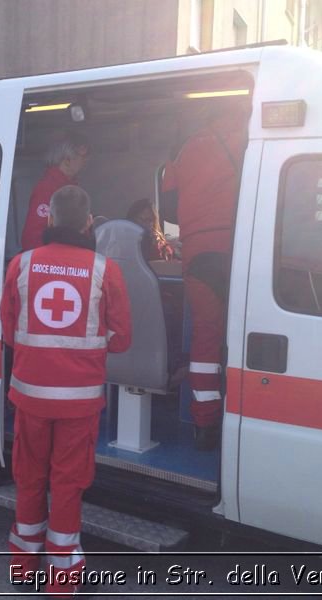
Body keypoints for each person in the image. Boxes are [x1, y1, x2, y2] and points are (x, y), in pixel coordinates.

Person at [1, 185, 131, 597]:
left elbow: (9, 332)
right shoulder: (105, 270)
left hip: (30, 397)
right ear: (89, 223)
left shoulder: (20, 265)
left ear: (50, 220)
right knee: (68, 485)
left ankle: (23, 568)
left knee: (29, 478)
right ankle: (62, 580)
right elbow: (123, 338)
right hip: (79, 403)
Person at [160, 105, 248, 450]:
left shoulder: (184, 150)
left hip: (198, 252)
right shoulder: (246, 140)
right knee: (248, 335)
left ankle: (204, 425)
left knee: (205, 339)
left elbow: (167, 208)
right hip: (243, 248)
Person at [20, 134, 89, 251]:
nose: (85, 161)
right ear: (67, 160)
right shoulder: (47, 189)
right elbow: (31, 239)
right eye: (83, 156)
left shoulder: (68, 187)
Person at [126, 197, 174, 262]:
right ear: (132, 219)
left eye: (150, 220)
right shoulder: (123, 241)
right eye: (142, 219)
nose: (146, 224)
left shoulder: (161, 244)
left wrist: (155, 247)